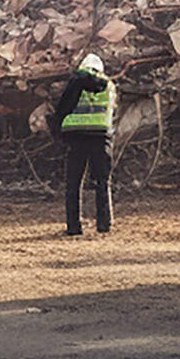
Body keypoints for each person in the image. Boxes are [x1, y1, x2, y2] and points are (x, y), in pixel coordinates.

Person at [49, 53, 116, 236]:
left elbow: (63, 107)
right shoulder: (109, 85)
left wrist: (57, 129)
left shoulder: (75, 82)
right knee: (102, 182)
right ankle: (104, 224)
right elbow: (111, 111)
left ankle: (73, 226)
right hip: (101, 136)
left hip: (76, 137)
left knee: (73, 183)